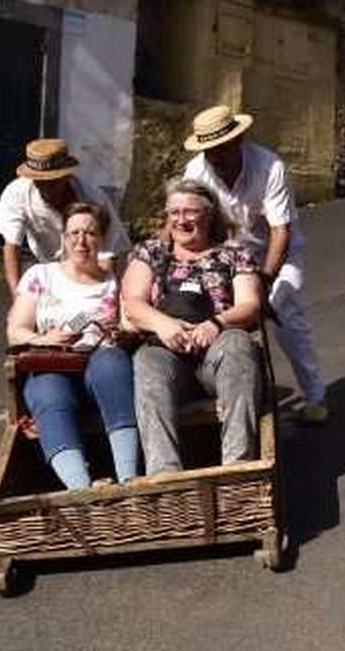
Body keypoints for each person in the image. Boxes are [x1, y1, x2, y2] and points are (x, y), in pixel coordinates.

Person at [182, 105, 330, 424]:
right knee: (220, 322)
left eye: (220, 150)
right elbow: (187, 221)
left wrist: (264, 280)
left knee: (282, 314)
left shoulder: (269, 166)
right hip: (225, 258)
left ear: (237, 142)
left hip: (275, 256)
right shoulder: (196, 172)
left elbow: (281, 230)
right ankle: (236, 395)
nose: (215, 159)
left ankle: (315, 396)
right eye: (209, 152)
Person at [122, 179, 263, 474]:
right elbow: (133, 303)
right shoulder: (151, 252)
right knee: (146, 361)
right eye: (174, 212)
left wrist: (216, 323)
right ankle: (165, 473)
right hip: (169, 355)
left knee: (238, 344)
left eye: (189, 212)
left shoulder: (234, 253)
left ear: (209, 215)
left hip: (216, 356)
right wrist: (163, 324)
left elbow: (250, 305)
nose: (180, 220)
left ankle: (238, 465)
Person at [5, 202, 140, 489]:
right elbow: (16, 331)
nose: (81, 241)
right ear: (64, 237)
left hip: (99, 361)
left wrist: (119, 332)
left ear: (102, 238)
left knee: (112, 365)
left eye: (90, 233)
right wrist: (42, 339)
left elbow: (130, 324)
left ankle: (129, 478)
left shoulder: (116, 278)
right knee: (48, 393)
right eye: (74, 233)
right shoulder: (40, 276)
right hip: (55, 362)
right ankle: (81, 489)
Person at [0, 138, 133, 297]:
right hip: (51, 267)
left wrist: (103, 295)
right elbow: (12, 247)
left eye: (53, 183)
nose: (47, 190)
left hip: (95, 265)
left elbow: (114, 251)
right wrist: (18, 298)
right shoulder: (16, 195)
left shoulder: (93, 197)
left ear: (66, 176)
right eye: (40, 183)